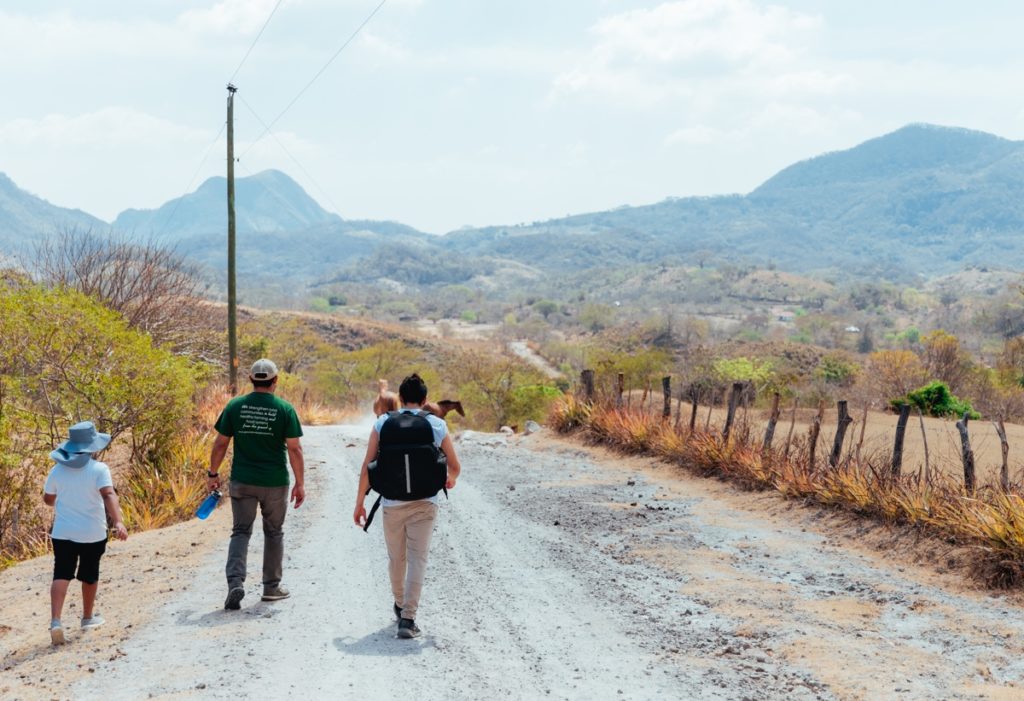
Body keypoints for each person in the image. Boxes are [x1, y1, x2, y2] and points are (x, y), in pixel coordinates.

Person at [353, 373, 462, 639]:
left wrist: (359, 503)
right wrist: (450, 480)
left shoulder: (382, 422)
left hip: (391, 502)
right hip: (425, 503)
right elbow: (455, 467)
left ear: (400, 399)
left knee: (396, 558)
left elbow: (367, 466)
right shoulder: (436, 424)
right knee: (418, 559)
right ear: (425, 400)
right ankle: (408, 619)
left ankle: (400, 604)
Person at [207, 358, 305, 611]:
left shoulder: (235, 406)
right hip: (275, 482)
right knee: (274, 532)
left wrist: (212, 473)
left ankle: (235, 584)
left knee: (241, 532)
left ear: (251, 379)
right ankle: (271, 588)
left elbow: (220, 443)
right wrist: (300, 483)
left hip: (243, 481)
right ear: (275, 381)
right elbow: (294, 449)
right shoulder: (285, 409)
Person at [43, 421, 128, 646]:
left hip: (63, 533)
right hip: (92, 532)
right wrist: (118, 522)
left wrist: (63, 496)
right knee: (90, 573)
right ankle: (88, 617)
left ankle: (56, 621)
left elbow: (48, 499)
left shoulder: (57, 470)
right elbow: (109, 495)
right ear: (93, 447)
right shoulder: (99, 469)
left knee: (61, 573)